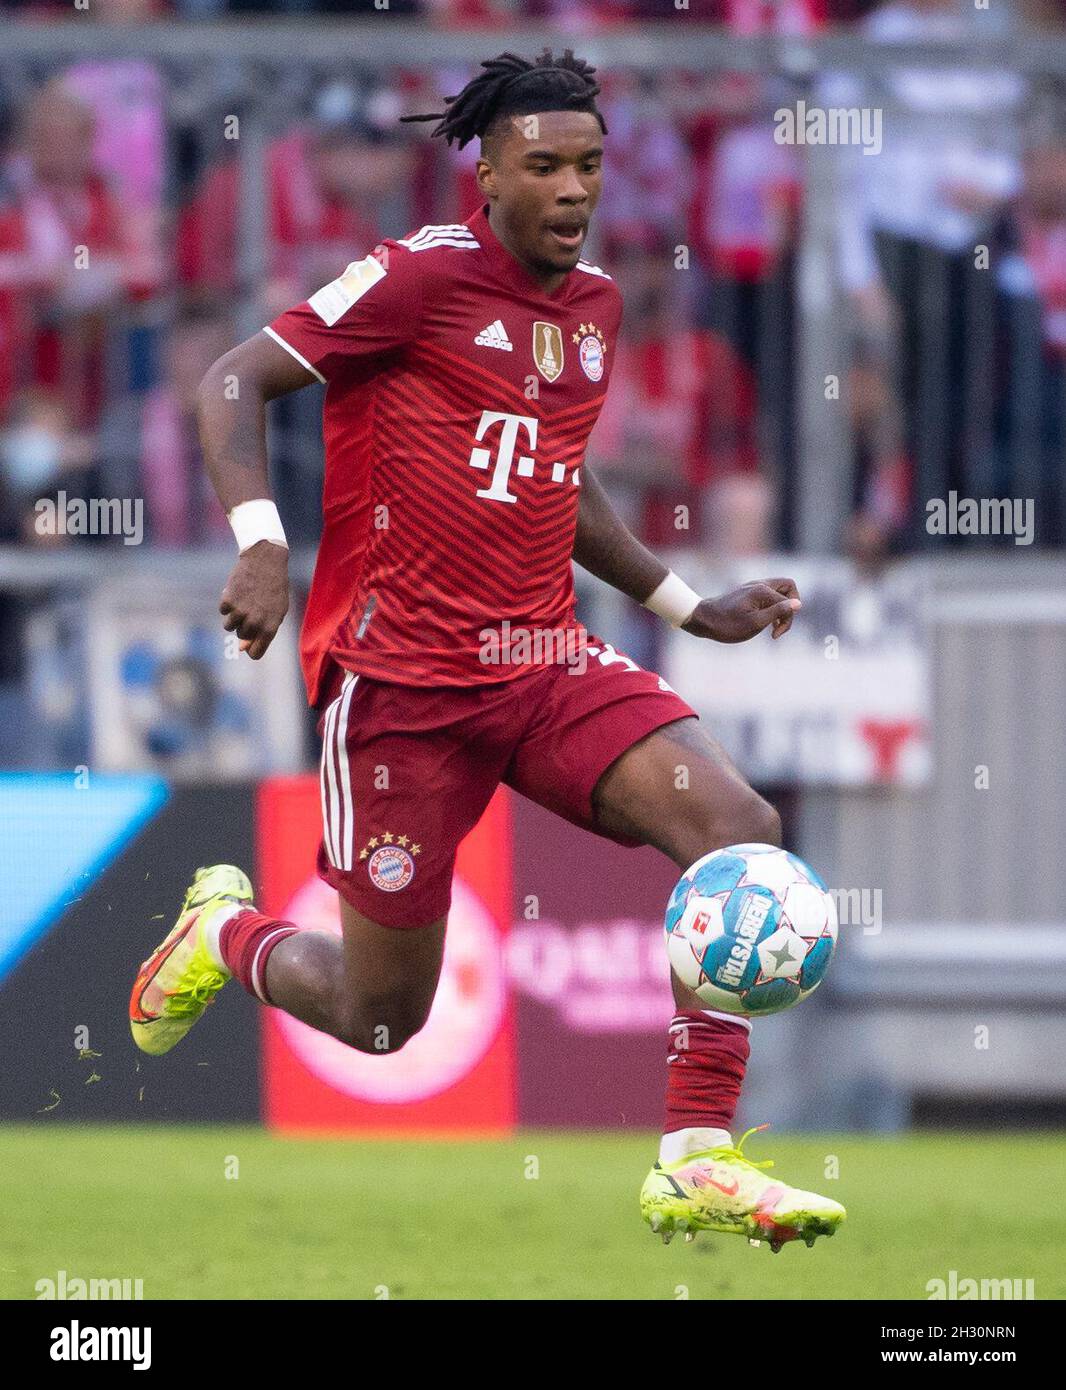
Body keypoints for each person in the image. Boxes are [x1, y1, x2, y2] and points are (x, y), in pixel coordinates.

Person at [127, 48, 844, 1252]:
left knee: (739, 832)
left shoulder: (597, 308)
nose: (573, 190)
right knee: (377, 1019)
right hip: (401, 685)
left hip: (543, 662)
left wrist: (684, 604)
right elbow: (232, 381)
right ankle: (225, 935)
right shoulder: (416, 279)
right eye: (545, 166)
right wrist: (261, 541)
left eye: (590, 167)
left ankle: (694, 1155)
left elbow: (558, 483)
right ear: (489, 173)